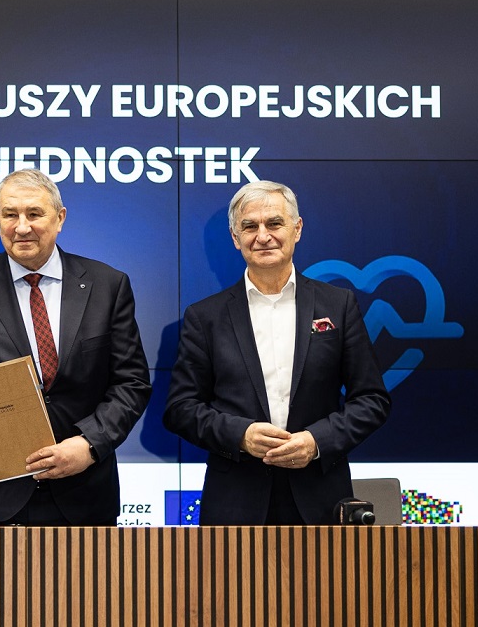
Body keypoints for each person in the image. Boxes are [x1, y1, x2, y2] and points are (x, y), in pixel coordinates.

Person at [0, 169, 151, 527]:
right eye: (10, 214)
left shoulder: (107, 285)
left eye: (34, 214)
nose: (22, 227)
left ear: (60, 218)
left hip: (83, 495)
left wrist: (89, 444)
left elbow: (131, 383)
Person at [163, 180, 390, 525]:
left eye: (274, 223)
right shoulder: (204, 317)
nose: (263, 236)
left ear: (296, 229)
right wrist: (240, 435)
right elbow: (181, 408)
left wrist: (316, 441)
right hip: (235, 505)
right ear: (235, 238)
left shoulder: (338, 305)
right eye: (249, 226)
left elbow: (372, 399)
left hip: (321, 500)